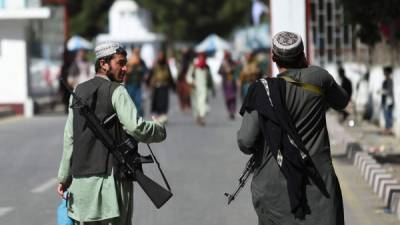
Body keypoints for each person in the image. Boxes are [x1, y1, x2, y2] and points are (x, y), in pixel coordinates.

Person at [237, 31, 348, 225]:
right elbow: (341, 101)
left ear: (273, 57)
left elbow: (245, 142)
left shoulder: (262, 91)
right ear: (303, 54)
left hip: (273, 191)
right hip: (318, 186)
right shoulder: (319, 78)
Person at [56, 42, 167, 225]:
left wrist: (64, 177)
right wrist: (159, 129)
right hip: (112, 184)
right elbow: (136, 128)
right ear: (103, 63)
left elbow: (70, 138)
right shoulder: (117, 91)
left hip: (81, 187)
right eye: (120, 63)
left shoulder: (77, 91)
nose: (125, 69)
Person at [186, 52, 215, 126]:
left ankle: (202, 117)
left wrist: (213, 89)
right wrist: (192, 82)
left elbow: (210, 79)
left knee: (202, 103)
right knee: (195, 104)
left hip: (203, 89)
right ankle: (198, 117)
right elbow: (188, 77)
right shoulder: (194, 66)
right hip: (195, 89)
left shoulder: (207, 67)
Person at [148, 51, 175, 124]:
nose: (161, 57)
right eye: (159, 56)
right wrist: (148, 82)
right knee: (156, 102)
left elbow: (170, 76)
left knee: (164, 102)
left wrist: (173, 86)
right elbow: (151, 74)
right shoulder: (155, 65)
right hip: (157, 86)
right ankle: (158, 116)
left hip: (165, 86)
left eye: (162, 56)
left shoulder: (166, 65)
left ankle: (163, 116)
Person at [125, 47, 147, 116]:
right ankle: (131, 115)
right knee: (130, 101)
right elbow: (124, 71)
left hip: (137, 85)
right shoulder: (129, 61)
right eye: (135, 52)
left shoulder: (141, 61)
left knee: (138, 101)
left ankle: (138, 116)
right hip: (129, 84)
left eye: (138, 52)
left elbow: (145, 71)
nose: (137, 54)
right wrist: (128, 71)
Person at [218, 50, 238, 119]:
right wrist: (225, 71)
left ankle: (232, 111)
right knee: (227, 98)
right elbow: (219, 71)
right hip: (226, 83)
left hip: (232, 82)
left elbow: (237, 70)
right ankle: (230, 111)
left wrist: (232, 69)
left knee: (233, 98)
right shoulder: (223, 63)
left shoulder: (232, 63)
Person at [176, 48, 194, 113]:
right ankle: (183, 106)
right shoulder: (180, 59)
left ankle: (188, 105)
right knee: (181, 93)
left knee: (187, 93)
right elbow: (178, 68)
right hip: (180, 78)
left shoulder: (189, 59)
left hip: (186, 76)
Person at [381, 66, 394, 135]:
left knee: (388, 116)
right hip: (385, 101)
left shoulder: (389, 80)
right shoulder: (385, 81)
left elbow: (389, 91)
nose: (383, 73)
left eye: (385, 71)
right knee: (387, 116)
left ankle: (388, 130)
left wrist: (382, 91)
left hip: (388, 101)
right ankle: (388, 129)